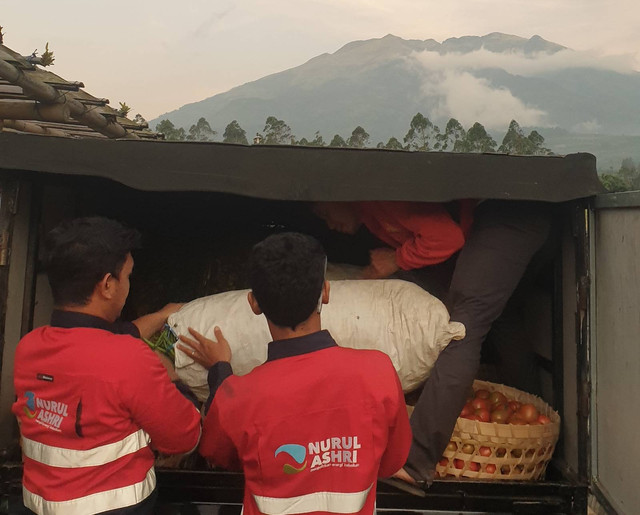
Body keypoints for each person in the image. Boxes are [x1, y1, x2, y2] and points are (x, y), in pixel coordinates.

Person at [313, 199, 552, 485]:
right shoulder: (372, 218)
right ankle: (526, 418)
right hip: (513, 217)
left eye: (326, 212)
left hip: (507, 211)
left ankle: (417, 461)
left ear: (337, 194)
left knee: (462, 328)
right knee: (500, 316)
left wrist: (395, 260)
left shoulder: (382, 201)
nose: (329, 224)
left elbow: (448, 238)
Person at [178, 232, 411, 514]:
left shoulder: (238, 397)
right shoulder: (378, 372)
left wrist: (220, 371)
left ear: (253, 303)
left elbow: (220, 454)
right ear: (325, 292)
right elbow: (390, 460)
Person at [12, 217, 202, 515]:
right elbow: (184, 437)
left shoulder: (29, 347)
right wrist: (174, 376)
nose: (128, 285)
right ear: (108, 285)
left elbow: (98, 342)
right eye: (128, 276)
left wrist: (163, 314)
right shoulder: (130, 358)